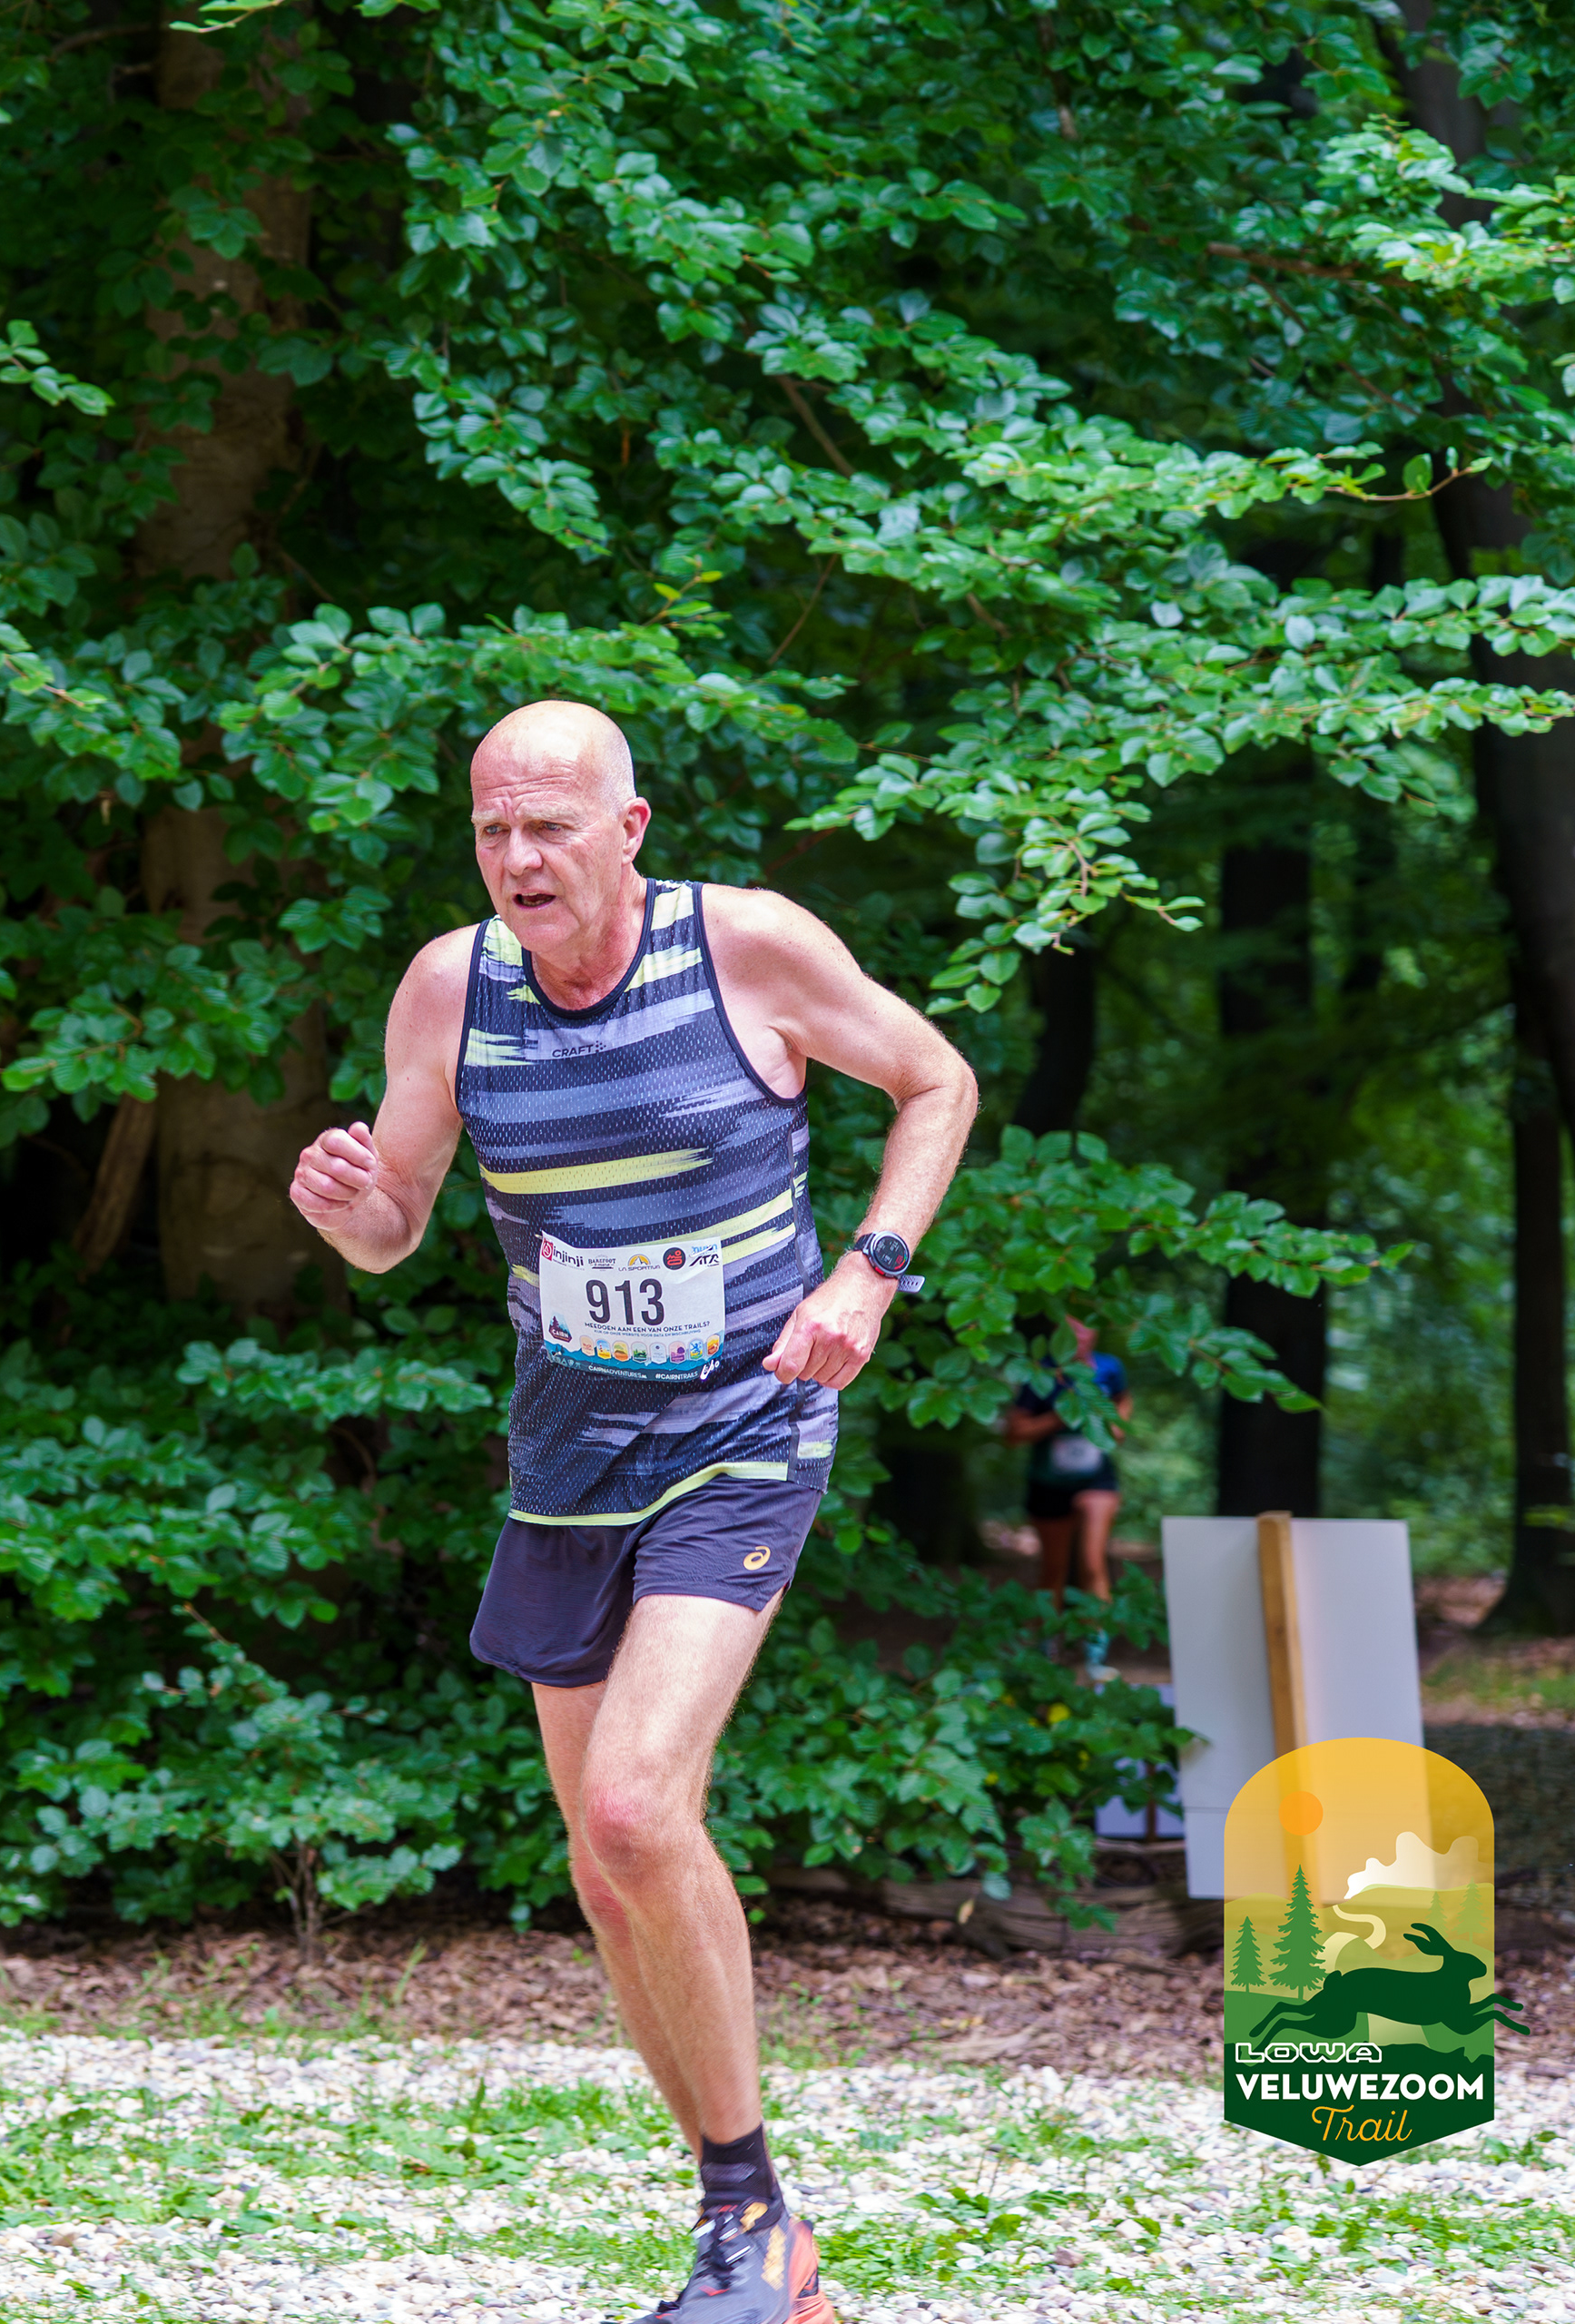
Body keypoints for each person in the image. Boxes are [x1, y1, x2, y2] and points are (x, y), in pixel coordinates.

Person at [288, 701, 978, 2324]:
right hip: (566, 1462)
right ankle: (752, 2241)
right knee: (607, 1874)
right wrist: (350, 1208)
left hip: (743, 1429)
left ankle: (752, 2221)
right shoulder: (452, 990)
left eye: (549, 825)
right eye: (491, 829)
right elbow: (396, 1225)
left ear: (629, 827)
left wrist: (867, 1277)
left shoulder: (746, 950)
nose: (518, 857)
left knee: (633, 1808)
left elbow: (936, 1082)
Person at [1002, 1315, 1129, 1680]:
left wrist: (1114, 1424)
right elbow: (1014, 1433)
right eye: (1072, 1330)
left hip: (1097, 1480)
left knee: (1092, 1562)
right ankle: (1047, 1651)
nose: (1080, 1337)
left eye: (1086, 1329)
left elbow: (1123, 1402)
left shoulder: (1109, 1368)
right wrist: (1062, 1417)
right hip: (1048, 1481)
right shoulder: (1040, 1374)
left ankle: (1095, 1655)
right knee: (1053, 1569)